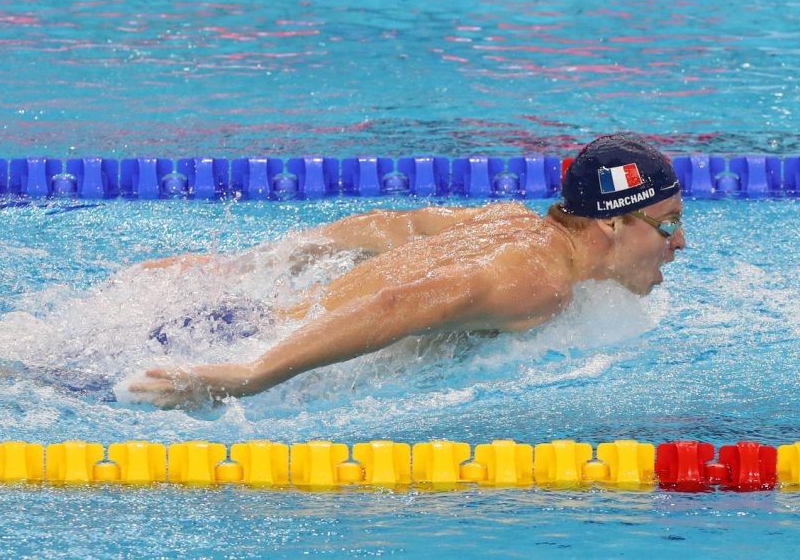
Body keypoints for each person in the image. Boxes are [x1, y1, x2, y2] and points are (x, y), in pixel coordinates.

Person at [129, 134, 686, 408]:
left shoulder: (511, 221)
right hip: (240, 345)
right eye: (667, 224)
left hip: (234, 318)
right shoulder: (539, 285)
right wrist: (252, 373)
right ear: (612, 223)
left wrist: (240, 266)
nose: (679, 243)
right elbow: (402, 302)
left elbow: (401, 227)